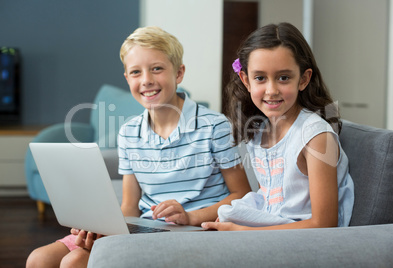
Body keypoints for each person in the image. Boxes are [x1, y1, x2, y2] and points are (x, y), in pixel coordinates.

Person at [26, 26, 251, 268]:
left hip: (197, 228)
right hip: (144, 228)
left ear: (179, 72)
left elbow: (242, 195)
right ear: (127, 78)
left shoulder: (214, 126)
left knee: (74, 262)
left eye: (157, 69)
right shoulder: (129, 133)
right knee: (39, 259)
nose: (146, 80)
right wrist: (99, 229)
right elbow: (130, 206)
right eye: (136, 72)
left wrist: (190, 216)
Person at [201, 22, 354, 231]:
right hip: (274, 230)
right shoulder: (259, 131)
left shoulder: (316, 136)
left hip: (305, 240)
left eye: (283, 78)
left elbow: (324, 223)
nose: (271, 90)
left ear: (303, 79)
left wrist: (247, 233)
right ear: (246, 81)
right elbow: (271, 203)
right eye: (260, 78)